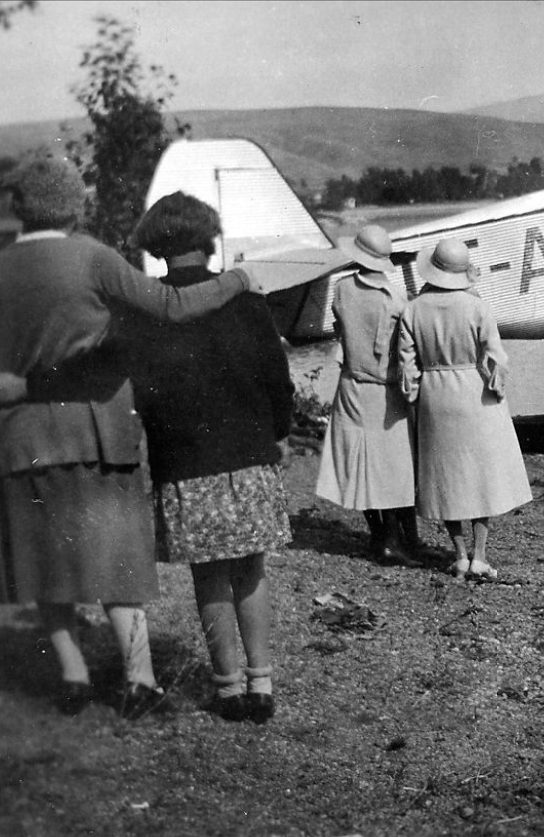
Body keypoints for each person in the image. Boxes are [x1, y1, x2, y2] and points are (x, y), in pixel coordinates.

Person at [0, 156, 260, 719]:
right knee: (115, 560)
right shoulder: (93, 258)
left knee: (47, 561)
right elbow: (172, 306)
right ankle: (139, 677)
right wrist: (239, 279)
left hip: (24, 436)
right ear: (75, 203)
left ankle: (72, 674)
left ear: (18, 206)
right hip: (97, 429)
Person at [127, 192, 294, 724]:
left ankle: (225, 688)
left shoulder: (147, 312)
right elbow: (277, 381)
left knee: (209, 577)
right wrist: (280, 434)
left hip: (185, 463)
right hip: (248, 454)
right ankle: (261, 683)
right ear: (208, 240)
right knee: (251, 570)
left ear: (155, 248)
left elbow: (145, 398)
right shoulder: (246, 304)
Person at [397, 239, 532, 581]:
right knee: (480, 475)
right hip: (474, 390)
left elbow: (407, 364)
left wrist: (414, 394)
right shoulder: (477, 307)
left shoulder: (414, 308)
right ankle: (480, 556)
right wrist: (496, 387)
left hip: (435, 393)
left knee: (446, 477)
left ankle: (458, 555)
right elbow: (496, 355)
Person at [313, 225, 419, 565]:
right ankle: (394, 541)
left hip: (349, 384)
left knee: (358, 462)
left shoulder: (342, 290)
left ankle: (383, 537)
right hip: (384, 390)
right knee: (392, 466)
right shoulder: (396, 298)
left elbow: (341, 329)